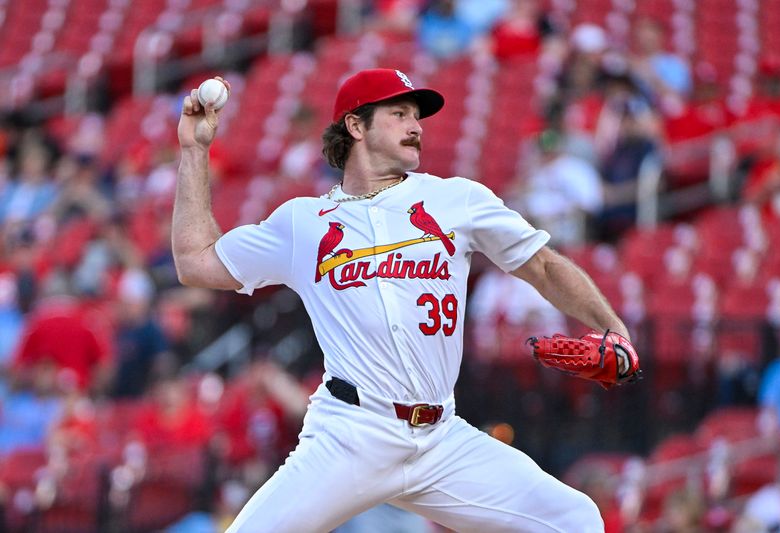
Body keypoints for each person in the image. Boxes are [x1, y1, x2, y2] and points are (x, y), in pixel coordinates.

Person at [173, 69, 636, 532]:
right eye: (398, 114)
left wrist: (613, 327)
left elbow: (544, 265)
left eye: (417, 116)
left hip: (441, 437)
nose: (416, 126)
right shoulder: (303, 223)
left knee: (575, 520)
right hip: (352, 434)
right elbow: (196, 262)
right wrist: (194, 151)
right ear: (356, 126)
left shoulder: (457, 199)